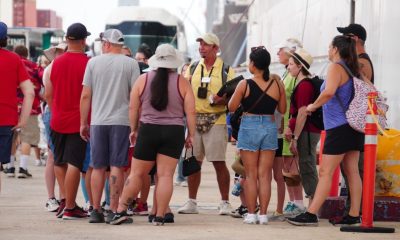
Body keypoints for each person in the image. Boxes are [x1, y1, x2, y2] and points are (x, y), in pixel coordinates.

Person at [110, 43, 195, 225]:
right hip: (174, 132)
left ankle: (121, 209)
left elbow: (133, 107)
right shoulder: (183, 82)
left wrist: (133, 129)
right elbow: (191, 112)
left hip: (148, 130)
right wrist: (191, 135)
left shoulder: (143, 80)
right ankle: (159, 215)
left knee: (137, 174)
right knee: (165, 175)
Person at [287, 35, 363, 226]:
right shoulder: (353, 68)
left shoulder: (336, 67)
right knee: (352, 171)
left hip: (338, 127)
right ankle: (354, 215)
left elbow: (329, 91)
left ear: (336, 49)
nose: (328, 51)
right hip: (353, 127)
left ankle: (311, 214)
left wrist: (313, 106)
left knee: (325, 172)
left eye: (329, 47)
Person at [80, 28, 141, 223]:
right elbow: (135, 97)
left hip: (98, 121)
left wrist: (83, 122)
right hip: (122, 121)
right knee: (117, 166)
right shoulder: (131, 64)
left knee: (97, 166)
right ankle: (113, 209)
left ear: (106, 44)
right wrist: (135, 126)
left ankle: (95, 209)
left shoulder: (93, 63)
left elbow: (86, 95)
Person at [178, 33, 235, 215]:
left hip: (216, 119)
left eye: (206, 44)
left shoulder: (226, 70)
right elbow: (184, 91)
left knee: (219, 162)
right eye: (200, 44)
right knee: (193, 162)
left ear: (216, 48)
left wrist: (223, 100)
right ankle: (192, 201)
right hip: (195, 120)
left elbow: (235, 97)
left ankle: (225, 202)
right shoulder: (193, 68)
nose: (201, 47)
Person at [228, 46, 286, 224]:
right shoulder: (276, 83)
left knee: (251, 174)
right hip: (269, 127)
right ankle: (263, 215)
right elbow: (282, 110)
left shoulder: (244, 84)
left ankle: (251, 214)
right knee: (265, 175)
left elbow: (231, 107)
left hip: (249, 126)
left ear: (253, 64)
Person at [44, 22, 91, 220]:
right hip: (77, 121)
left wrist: (55, 112)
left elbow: (48, 93)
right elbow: (88, 95)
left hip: (57, 119)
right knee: (75, 163)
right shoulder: (88, 63)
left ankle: (64, 200)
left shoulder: (57, 63)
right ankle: (71, 206)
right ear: (83, 41)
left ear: (66, 40)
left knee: (59, 160)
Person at [335, 23, 373, 221]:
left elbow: (364, 88)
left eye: (347, 36)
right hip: (356, 123)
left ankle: (356, 211)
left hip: (357, 123)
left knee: (355, 170)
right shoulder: (357, 61)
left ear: (356, 39)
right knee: (350, 170)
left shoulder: (362, 62)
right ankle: (353, 210)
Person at [0, 21, 34, 191]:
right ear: (5, 39)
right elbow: (30, 92)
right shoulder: (14, 59)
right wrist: (23, 119)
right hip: (5, 119)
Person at [275, 38, 306, 215]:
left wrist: (291, 128)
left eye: (280, 50)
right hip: (284, 125)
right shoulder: (287, 73)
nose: (278, 53)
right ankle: (294, 201)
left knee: (291, 165)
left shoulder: (294, 77)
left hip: (289, 125)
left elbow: (296, 104)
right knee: (287, 166)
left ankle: (298, 202)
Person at [286, 48, 320, 202]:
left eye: (291, 64)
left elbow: (302, 113)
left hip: (306, 131)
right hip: (306, 131)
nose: (288, 67)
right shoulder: (301, 84)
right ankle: (313, 202)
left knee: (307, 165)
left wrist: (295, 137)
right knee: (306, 164)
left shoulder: (304, 86)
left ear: (300, 67)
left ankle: (314, 203)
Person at [10, 45, 43, 177]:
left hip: (11, 107)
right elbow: (43, 80)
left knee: (12, 138)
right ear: (27, 54)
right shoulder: (33, 66)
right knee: (26, 138)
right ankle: (23, 168)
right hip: (30, 107)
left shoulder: (10, 63)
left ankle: (10, 167)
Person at [42, 42, 67, 212]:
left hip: (56, 112)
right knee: (54, 156)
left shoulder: (52, 67)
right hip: (55, 112)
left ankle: (60, 197)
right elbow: (48, 96)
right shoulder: (51, 69)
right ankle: (53, 198)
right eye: (60, 51)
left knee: (58, 157)